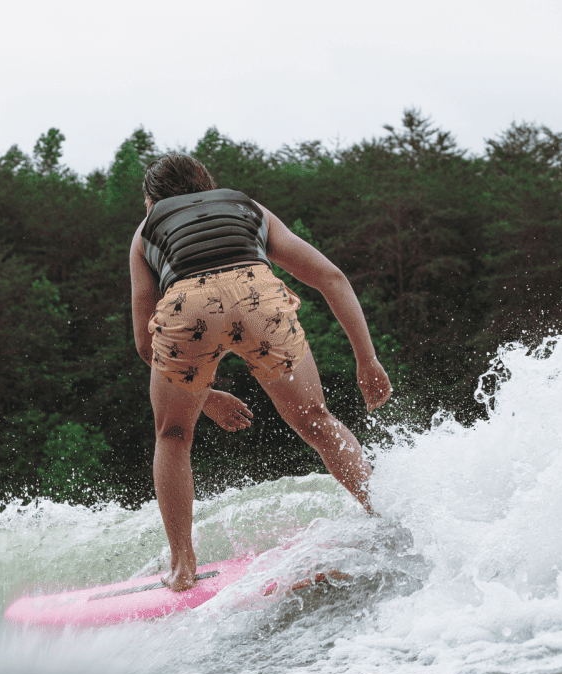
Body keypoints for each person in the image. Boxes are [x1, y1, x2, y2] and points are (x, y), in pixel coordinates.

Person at [129, 153, 392, 591]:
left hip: (187, 307)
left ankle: (182, 566)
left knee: (173, 436)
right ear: (208, 184)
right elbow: (331, 277)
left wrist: (206, 397)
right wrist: (367, 359)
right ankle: (384, 515)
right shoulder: (246, 206)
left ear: (150, 200)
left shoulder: (146, 230)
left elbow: (144, 342)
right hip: (258, 297)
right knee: (316, 419)